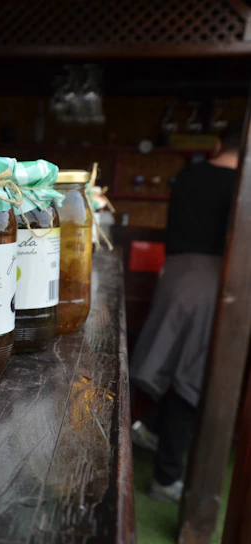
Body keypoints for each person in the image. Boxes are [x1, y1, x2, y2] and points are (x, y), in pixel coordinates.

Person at [130, 121, 241, 503]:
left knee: (169, 362)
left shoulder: (189, 174)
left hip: (174, 275)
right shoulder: (241, 188)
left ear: (216, 143)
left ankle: (150, 430)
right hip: (213, 283)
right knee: (190, 379)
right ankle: (166, 476)